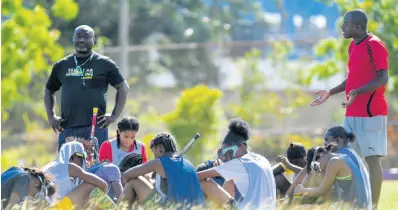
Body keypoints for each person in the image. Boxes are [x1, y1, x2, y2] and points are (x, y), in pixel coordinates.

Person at [310, 9, 389, 207]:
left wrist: (358, 92)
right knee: (348, 159)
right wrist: (330, 92)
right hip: (352, 112)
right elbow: (352, 79)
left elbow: (382, 77)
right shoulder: (353, 46)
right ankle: (351, 203)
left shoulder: (375, 45)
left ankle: (373, 205)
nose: (342, 27)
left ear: (359, 27)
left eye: (346, 24)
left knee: (372, 159)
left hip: (372, 113)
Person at [44, 25, 129, 150]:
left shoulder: (104, 63)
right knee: (67, 167)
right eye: (78, 36)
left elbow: (123, 87)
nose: (82, 40)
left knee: (95, 166)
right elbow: (49, 90)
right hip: (67, 127)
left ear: (93, 40)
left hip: (96, 126)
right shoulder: (61, 65)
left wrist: (114, 115)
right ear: (73, 39)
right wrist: (51, 116)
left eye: (86, 36)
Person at [197, 118, 276, 210]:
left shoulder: (240, 163)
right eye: (222, 153)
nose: (226, 158)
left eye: (229, 153)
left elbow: (197, 176)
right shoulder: (262, 159)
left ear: (241, 147)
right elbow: (229, 189)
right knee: (229, 178)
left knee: (204, 181)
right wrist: (224, 171)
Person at [119, 132, 205, 209]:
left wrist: (133, 195)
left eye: (153, 152)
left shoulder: (159, 162)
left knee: (134, 181)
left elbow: (127, 175)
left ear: (160, 150)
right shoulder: (188, 164)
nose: (154, 156)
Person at [294, 145, 372, 210]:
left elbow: (322, 190)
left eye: (315, 165)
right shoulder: (341, 156)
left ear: (321, 155)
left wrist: (302, 190)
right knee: (314, 176)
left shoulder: (334, 162)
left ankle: (294, 204)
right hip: (356, 205)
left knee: (313, 178)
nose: (318, 169)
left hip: (354, 207)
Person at [42, 141, 115, 209]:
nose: (83, 162)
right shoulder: (71, 167)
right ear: (73, 156)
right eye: (82, 158)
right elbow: (103, 184)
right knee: (89, 186)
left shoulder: (52, 167)